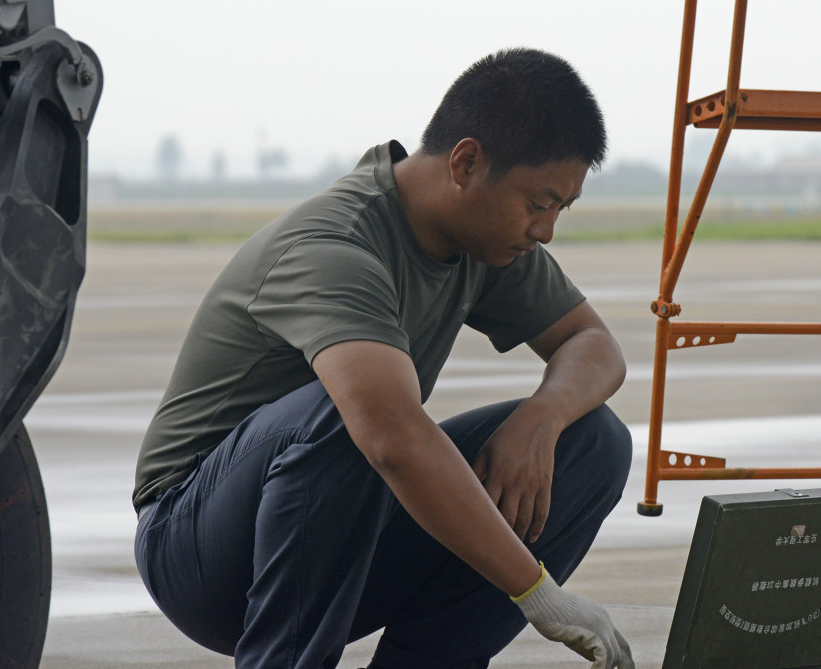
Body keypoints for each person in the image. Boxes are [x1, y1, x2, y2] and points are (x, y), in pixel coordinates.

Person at [133, 47, 634, 669]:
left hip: (336, 537)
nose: (547, 230)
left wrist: (541, 420)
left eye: (561, 208)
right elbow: (390, 435)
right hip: (200, 551)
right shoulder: (337, 245)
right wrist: (538, 593)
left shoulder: (483, 243)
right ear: (467, 163)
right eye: (539, 203)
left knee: (594, 440)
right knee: (352, 412)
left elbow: (595, 346)